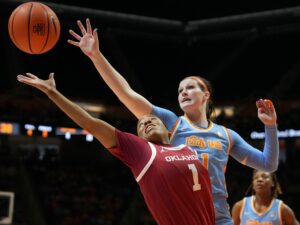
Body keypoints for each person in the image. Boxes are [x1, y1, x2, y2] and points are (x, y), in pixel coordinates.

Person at [67, 18, 279, 225]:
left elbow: (268, 164)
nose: (183, 92)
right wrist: (96, 56)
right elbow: (125, 94)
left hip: (220, 219)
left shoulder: (227, 135)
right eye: (180, 90)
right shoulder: (171, 122)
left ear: (206, 95)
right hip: (185, 217)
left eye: (190, 87)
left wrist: (270, 126)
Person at [17, 72, 215, 225]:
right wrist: (53, 93)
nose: (145, 122)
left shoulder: (189, 150)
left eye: (151, 119)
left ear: (168, 129)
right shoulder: (141, 150)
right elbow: (90, 123)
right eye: (140, 125)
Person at [231, 170, 300, 225]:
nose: (259, 180)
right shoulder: (240, 206)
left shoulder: (282, 209)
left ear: (272, 183)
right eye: (256, 178)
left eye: (264, 177)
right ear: (253, 184)